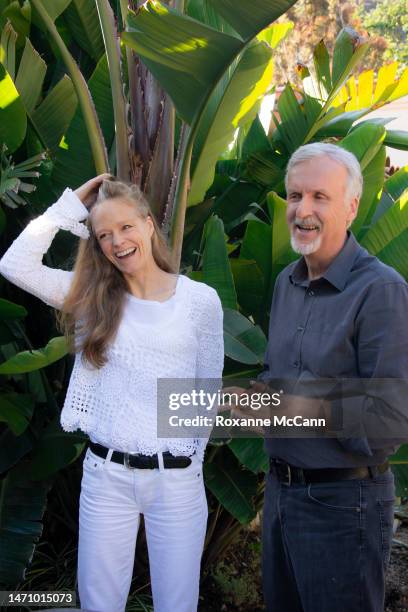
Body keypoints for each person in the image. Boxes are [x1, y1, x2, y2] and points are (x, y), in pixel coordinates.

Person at [0, 175, 224, 612]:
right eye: (104, 235)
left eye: (125, 227)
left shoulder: (200, 301)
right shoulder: (92, 298)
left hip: (176, 480)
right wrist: (69, 207)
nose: (117, 242)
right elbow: (15, 265)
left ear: (148, 224)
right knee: (99, 604)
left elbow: (206, 392)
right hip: (107, 479)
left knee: (177, 605)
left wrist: (186, 465)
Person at [230, 143, 408, 612]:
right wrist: (255, 402)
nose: (302, 210)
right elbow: (279, 378)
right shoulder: (287, 282)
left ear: (351, 207)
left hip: (343, 503)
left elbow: (390, 417)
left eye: (319, 197)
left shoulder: (380, 290)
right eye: (294, 196)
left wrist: (293, 410)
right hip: (282, 496)